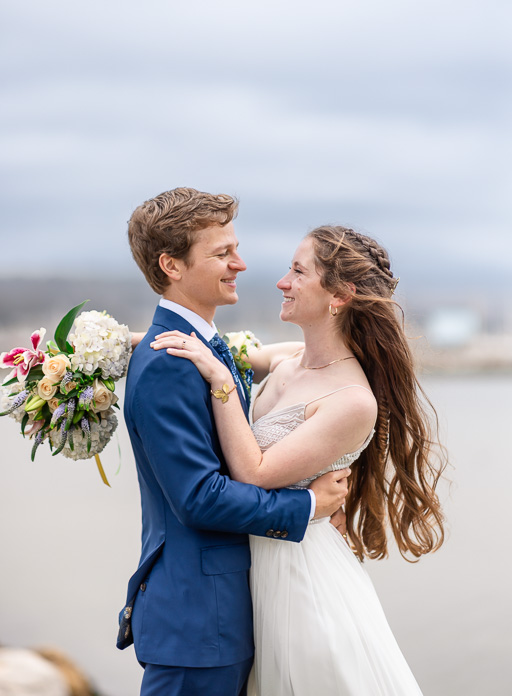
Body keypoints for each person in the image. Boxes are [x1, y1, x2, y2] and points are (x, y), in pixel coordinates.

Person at [153, 224, 445, 695]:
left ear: (341, 295)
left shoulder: (352, 400)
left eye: (297, 271)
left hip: (302, 580)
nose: (281, 282)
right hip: (258, 568)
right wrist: (95, 351)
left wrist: (220, 383)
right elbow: (199, 344)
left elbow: (255, 473)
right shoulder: (290, 358)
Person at [118, 189, 350, 696]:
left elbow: (314, 361)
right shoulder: (169, 367)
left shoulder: (202, 349)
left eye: (235, 249)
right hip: (198, 625)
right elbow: (199, 497)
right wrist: (308, 504)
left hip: (221, 618)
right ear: (171, 266)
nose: (240, 264)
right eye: (222, 254)